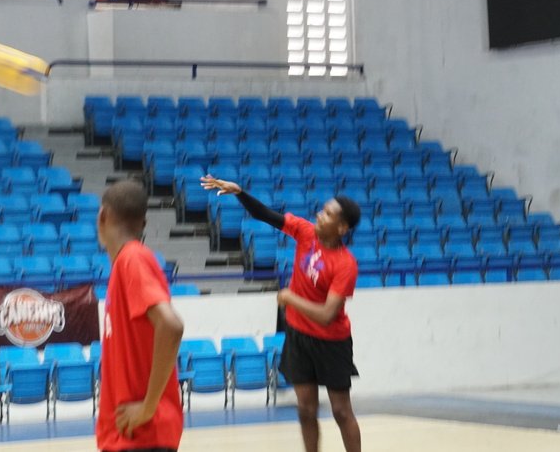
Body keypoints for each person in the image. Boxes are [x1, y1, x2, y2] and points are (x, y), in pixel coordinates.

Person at [200, 175, 363, 452]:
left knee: (341, 411)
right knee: (305, 409)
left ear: (342, 228)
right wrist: (240, 192)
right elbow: (265, 215)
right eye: (322, 210)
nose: (319, 215)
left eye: (328, 214)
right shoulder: (306, 232)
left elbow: (327, 314)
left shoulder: (346, 264)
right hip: (299, 337)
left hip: (331, 342)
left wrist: (290, 298)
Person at [96, 180, 185, 452]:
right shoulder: (125, 264)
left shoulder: (132, 258)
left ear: (102, 216)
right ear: (143, 223)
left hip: (142, 437)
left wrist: (148, 408)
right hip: (132, 437)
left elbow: (171, 325)